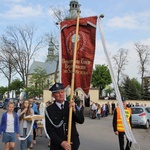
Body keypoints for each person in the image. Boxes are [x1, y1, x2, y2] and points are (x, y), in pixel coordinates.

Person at [45, 82, 84, 150]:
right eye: (57, 93)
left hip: (72, 143)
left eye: (62, 92)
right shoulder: (49, 110)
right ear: (53, 95)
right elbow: (50, 130)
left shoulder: (70, 105)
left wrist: (74, 110)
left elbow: (81, 120)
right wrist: (61, 142)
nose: (61, 94)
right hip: (58, 145)